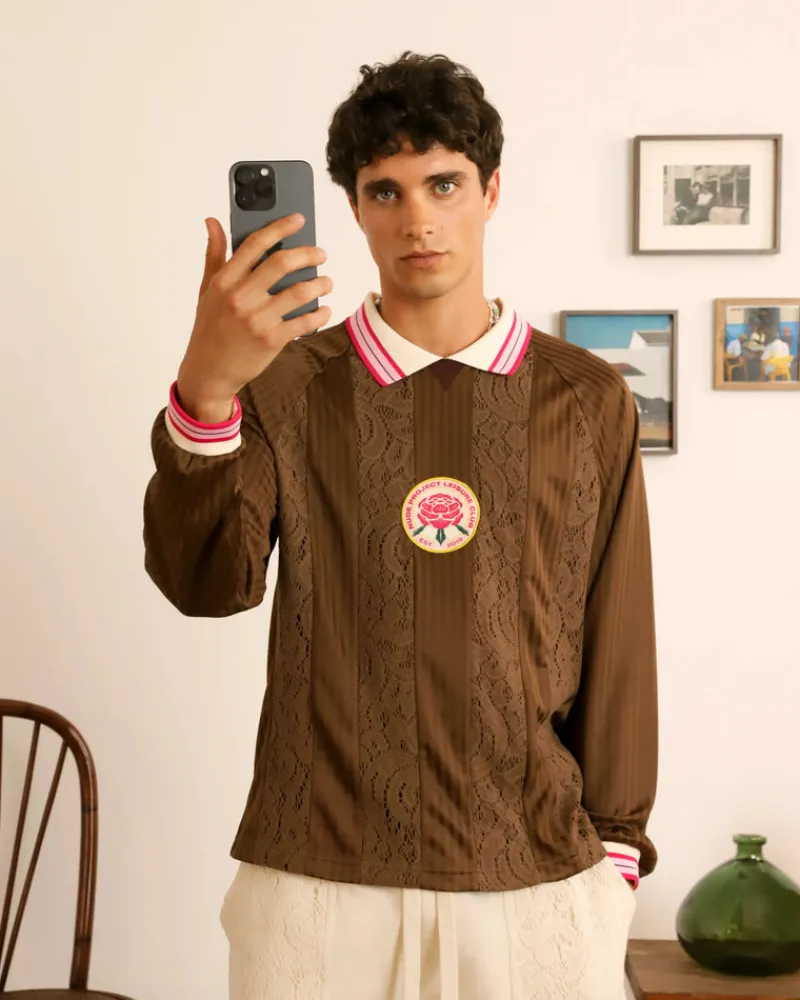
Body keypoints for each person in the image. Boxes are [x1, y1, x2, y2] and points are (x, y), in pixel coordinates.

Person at [142, 52, 658, 1000]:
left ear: (491, 191)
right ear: (352, 207)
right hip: (315, 877)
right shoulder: (283, 384)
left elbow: (619, 633)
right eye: (386, 190)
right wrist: (207, 391)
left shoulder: (585, 399)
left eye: (444, 184)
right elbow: (206, 586)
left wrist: (617, 855)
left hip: (534, 877)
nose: (418, 219)